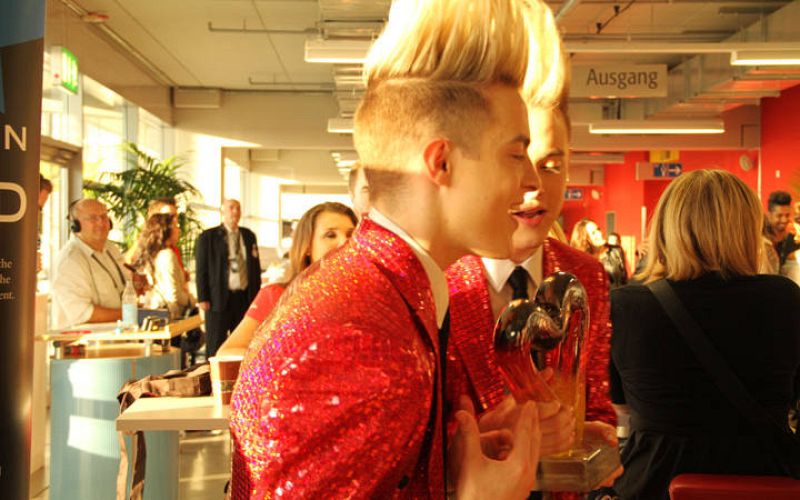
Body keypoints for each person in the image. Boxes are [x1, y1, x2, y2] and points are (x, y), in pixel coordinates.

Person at [230, 0, 570, 497]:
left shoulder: (388, 293)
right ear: (443, 163)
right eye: (516, 154)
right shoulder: (363, 338)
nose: (530, 181)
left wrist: (451, 462)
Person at [444, 103, 618, 480]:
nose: (535, 184)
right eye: (514, 160)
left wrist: (587, 436)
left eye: (551, 166)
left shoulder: (587, 275)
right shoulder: (439, 279)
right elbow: (405, 446)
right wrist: (494, 434)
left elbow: (596, 402)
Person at [610, 170, 800, 499]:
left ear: (666, 228)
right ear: (746, 230)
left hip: (653, 483)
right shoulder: (784, 298)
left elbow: (621, 404)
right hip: (763, 480)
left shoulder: (627, 306)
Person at [217, 202, 357, 357]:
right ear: (308, 246)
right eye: (330, 235)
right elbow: (227, 352)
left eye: (351, 235)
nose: (345, 242)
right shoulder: (277, 296)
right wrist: (289, 360)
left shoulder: (366, 300)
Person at [195, 199, 261, 358]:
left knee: (243, 343)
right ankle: (211, 377)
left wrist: (256, 296)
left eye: (238, 208)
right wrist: (203, 297)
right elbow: (201, 269)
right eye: (231, 208)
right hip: (218, 298)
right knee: (216, 343)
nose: (235, 211)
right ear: (222, 212)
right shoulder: (208, 237)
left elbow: (255, 267)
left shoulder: (248, 235)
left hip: (244, 297)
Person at [52, 199, 129, 328]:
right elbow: (82, 314)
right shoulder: (70, 260)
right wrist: (129, 314)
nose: (101, 223)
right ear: (75, 226)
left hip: (119, 337)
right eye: (93, 218)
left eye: (104, 217)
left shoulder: (110, 249)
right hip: (85, 344)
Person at [132, 213, 194, 319]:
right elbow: (173, 294)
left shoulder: (153, 254)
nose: (179, 230)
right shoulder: (167, 255)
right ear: (166, 230)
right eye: (175, 226)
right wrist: (192, 299)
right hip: (171, 317)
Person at [570, 219, 627, 289]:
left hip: (616, 298)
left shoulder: (616, 250)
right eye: (593, 233)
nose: (599, 233)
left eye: (598, 229)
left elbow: (624, 280)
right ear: (585, 239)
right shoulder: (582, 259)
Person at [766, 191, 800, 268]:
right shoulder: (761, 239)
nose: (784, 220)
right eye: (779, 216)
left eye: (787, 215)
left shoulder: (793, 239)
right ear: (769, 215)